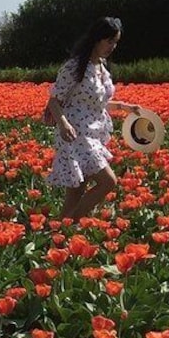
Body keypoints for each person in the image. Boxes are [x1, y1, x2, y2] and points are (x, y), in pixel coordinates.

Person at [44, 17, 141, 220]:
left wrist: (125, 107)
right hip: (75, 135)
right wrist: (64, 124)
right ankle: (70, 224)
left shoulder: (102, 68)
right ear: (97, 39)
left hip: (94, 133)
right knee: (108, 181)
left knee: (76, 193)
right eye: (109, 41)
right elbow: (54, 101)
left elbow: (96, 103)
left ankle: (58, 233)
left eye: (115, 43)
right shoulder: (75, 67)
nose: (112, 47)